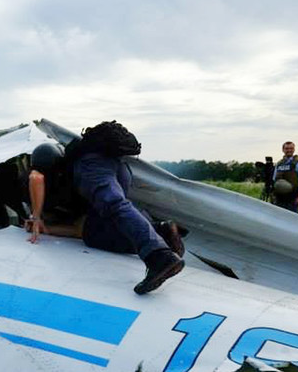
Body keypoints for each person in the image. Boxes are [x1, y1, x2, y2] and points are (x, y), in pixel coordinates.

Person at [25, 122, 184, 295]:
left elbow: (36, 177)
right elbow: (80, 230)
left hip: (95, 166)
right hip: (120, 169)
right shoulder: (75, 192)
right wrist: (47, 229)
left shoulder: (53, 163)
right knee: (96, 233)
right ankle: (161, 232)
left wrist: (36, 217)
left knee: (114, 205)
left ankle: (159, 256)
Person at [272, 141, 298, 213]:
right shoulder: (279, 164)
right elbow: (274, 179)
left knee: (292, 219)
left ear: (294, 149)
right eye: (287, 148)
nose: (289, 150)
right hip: (279, 197)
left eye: (291, 148)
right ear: (283, 150)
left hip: (293, 198)